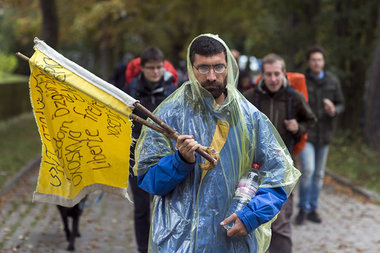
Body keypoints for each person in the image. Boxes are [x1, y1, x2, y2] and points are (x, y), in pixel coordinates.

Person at [133, 34, 300, 252]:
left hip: (232, 240)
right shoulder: (169, 115)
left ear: (229, 67)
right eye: (203, 68)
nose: (212, 76)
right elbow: (149, 180)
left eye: (219, 67)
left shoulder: (249, 118)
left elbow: (280, 175)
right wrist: (180, 161)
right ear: (191, 69)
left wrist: (250, 216)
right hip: (179, 242)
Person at [244, 53, 317, 253]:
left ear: (284, 73)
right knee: (254, 219)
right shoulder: (251, 98)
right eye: (269, 74)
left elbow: (310, 119)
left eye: (277, 74)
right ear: (262, 75)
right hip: (254, 169)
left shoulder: (294, 97)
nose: (273, 79)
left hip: (285, 169)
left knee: (281, 222)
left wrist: (298, 127)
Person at [122, 46, 177, 253]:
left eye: (159, 68)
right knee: (142, 208)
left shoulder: (171, 90)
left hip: (166, 157)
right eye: (151, 68)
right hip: (136, 157)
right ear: (142, 68)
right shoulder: (130, 91)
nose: (156, 72)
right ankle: (143, 249)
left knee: (166, 204)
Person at [295, 45, 345, 225]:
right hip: (307, 133)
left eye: (320, 59)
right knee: (307, 170)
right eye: (314, 59)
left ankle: (312, 208)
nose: (317, 63)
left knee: (319, 174)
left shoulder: (333, 81)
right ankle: (302, 208)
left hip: (325, 134)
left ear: (323, 62)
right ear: (309, 62)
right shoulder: (302, 80)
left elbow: (341, 104)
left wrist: (334, 109)